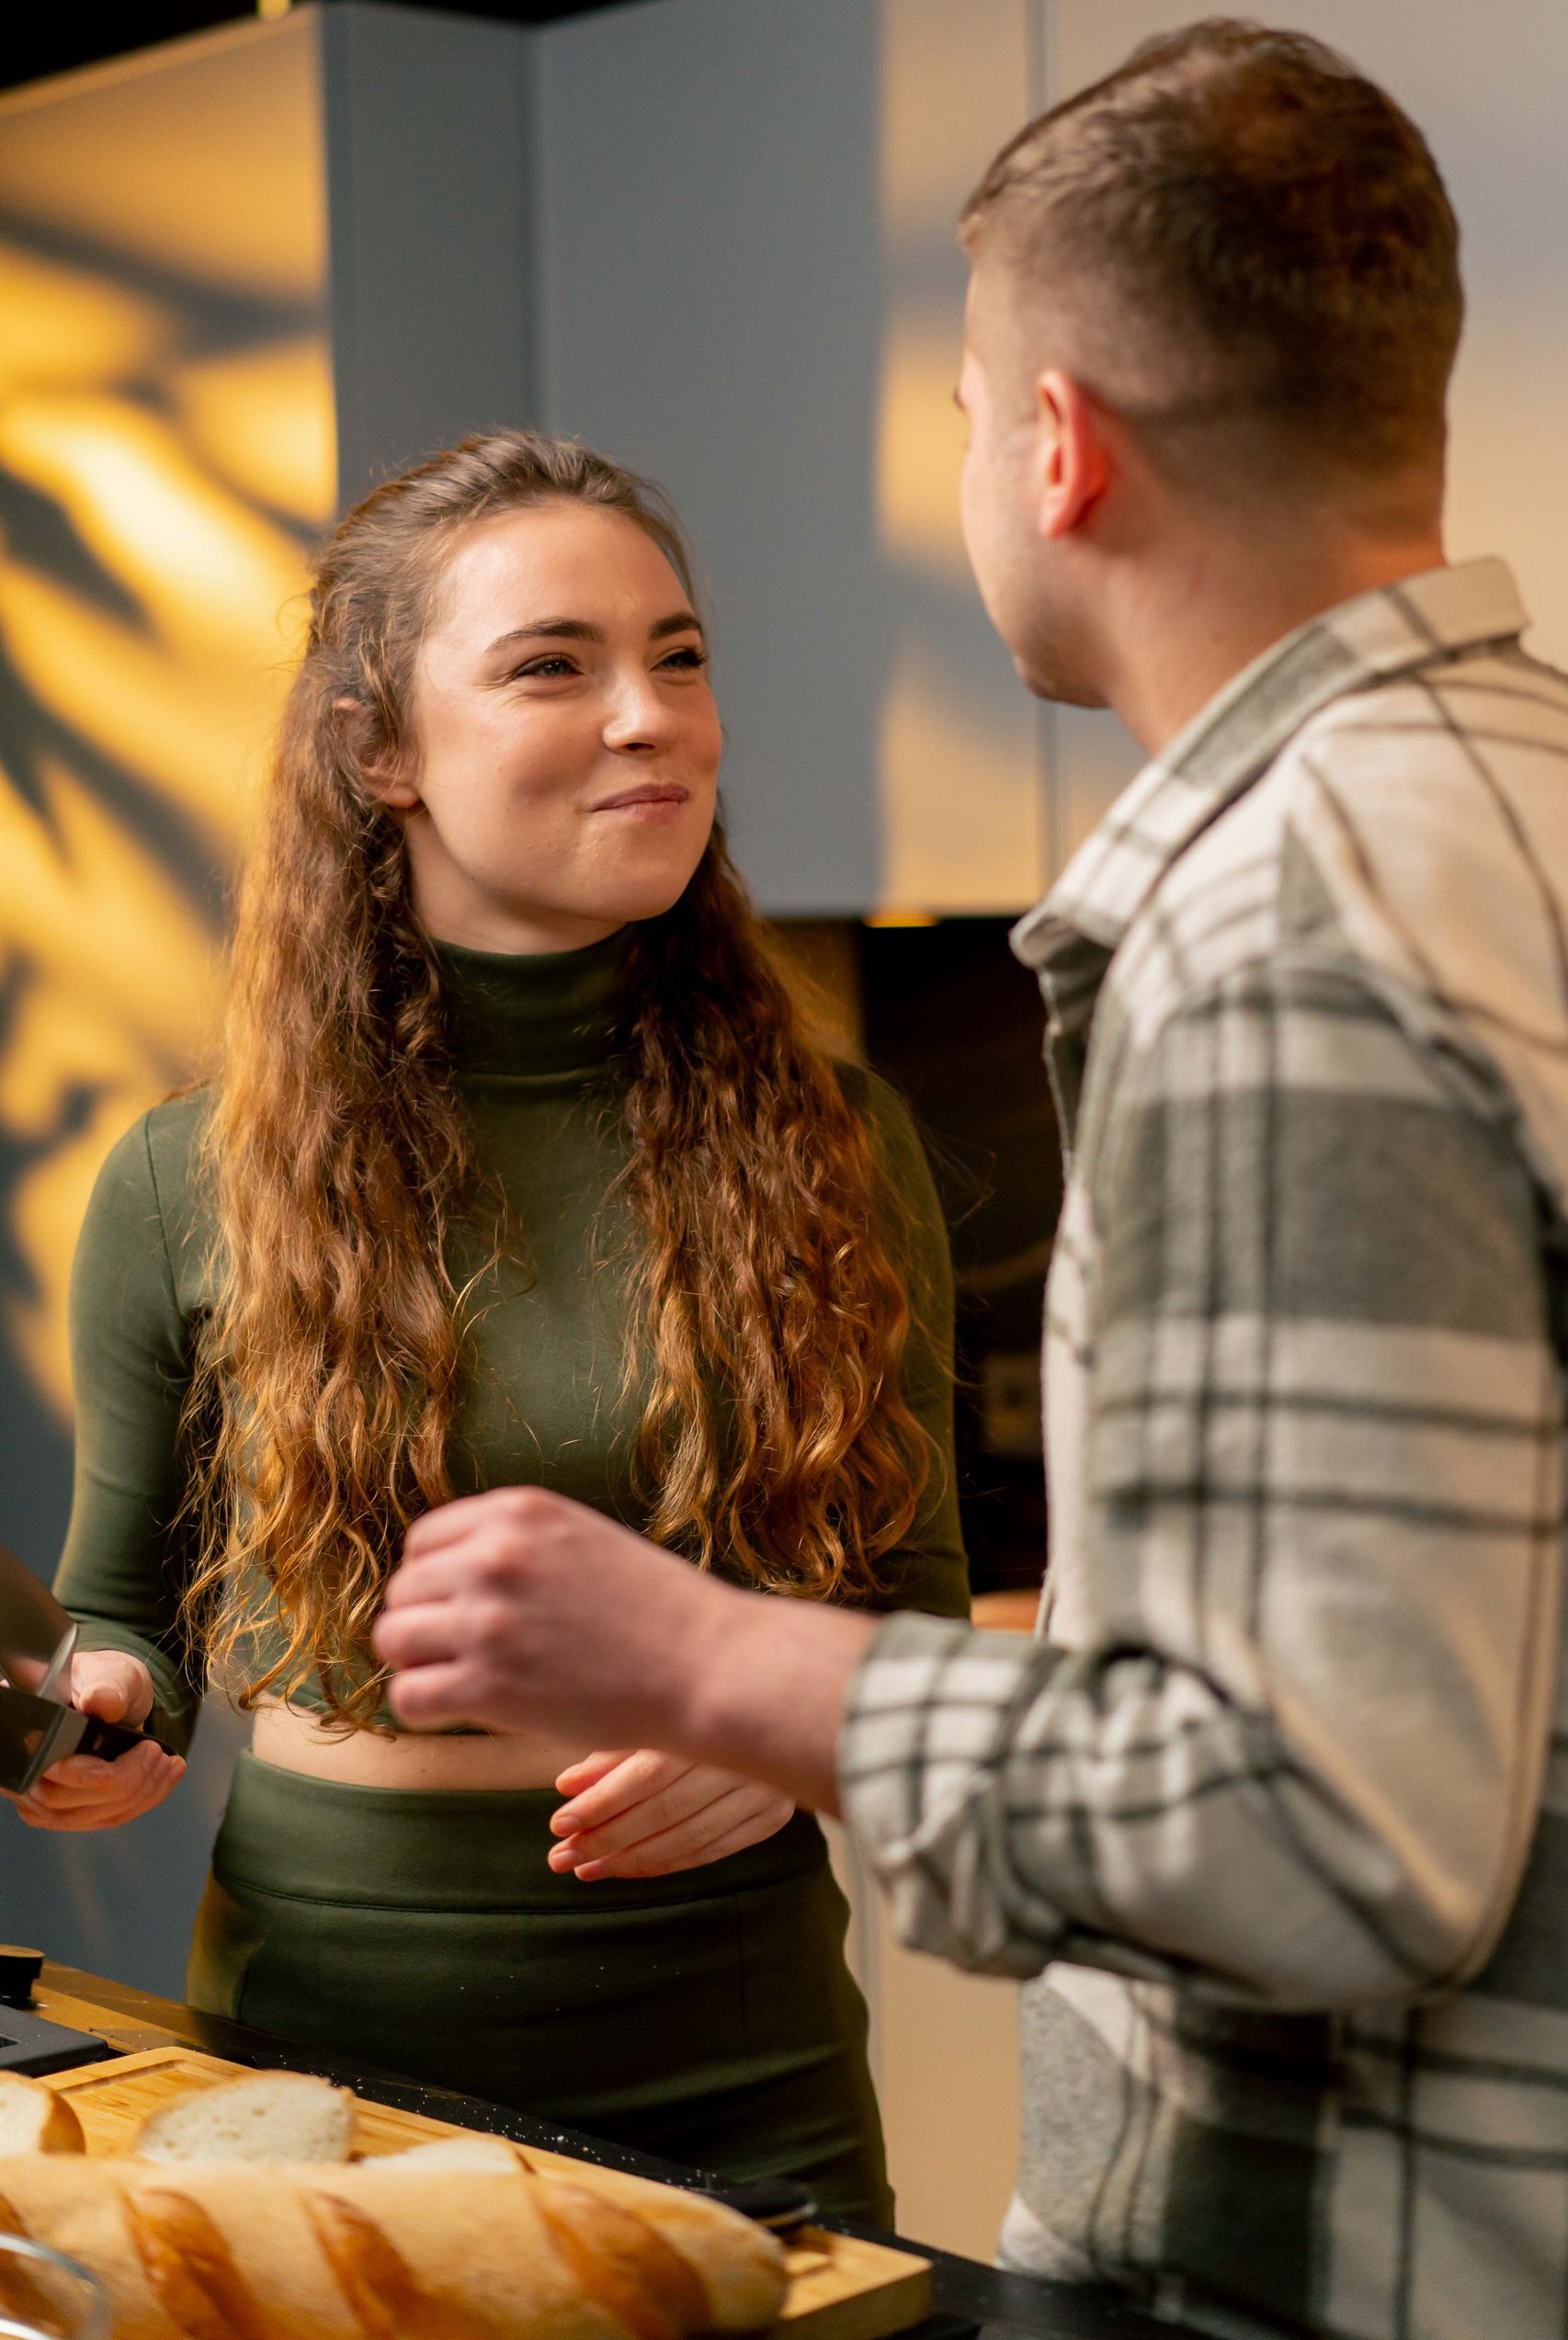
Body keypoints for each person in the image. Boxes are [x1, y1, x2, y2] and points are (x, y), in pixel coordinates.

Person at [374, 21, 1568, 2340]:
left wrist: (714, 1657)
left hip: (1342, 2282)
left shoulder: (1285, 928)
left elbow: (1323, 1827)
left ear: (1057, 447)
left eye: (955, 416)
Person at [12, 430, 969, 2227]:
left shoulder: (844, 1140)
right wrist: (101, 1708)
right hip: (328, 2067)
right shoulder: (182, 1179)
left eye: (679, 658)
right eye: (557, 664)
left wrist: (774, 1727)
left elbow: (913, 1609)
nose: (653, 718)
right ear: (381, 750)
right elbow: (124, 1612)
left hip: (746, 2058)